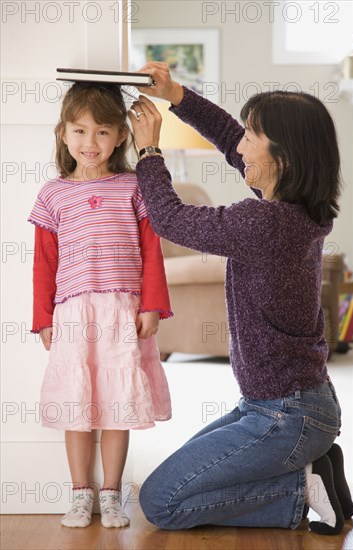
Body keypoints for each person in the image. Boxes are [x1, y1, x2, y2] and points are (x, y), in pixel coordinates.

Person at [127, 62, 353, 534]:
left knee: (160, 503)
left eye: (252, 137)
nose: (240, 145)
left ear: (283, 159)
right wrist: (176, 95)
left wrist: (149, 149)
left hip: (284, 414)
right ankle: (313, 466)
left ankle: (301, 487)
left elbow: (169, 218)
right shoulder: (302, 210)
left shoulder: (263, 222)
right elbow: (228, 135)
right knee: (185, 485)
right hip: (281, 406)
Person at [28, 82, 173, 529]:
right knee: (78, 406)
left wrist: (152, 306)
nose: (90, 143)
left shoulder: (134, 187)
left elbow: (152, 250)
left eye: (102, 132)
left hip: (122, 313)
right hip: (73, 314)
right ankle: (79, 494)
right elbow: (43, 263)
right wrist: (43, 319)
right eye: (79, 131)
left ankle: (111, 494)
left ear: (122, 136)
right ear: (63, 133)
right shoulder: (53, 194)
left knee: (117, 405)